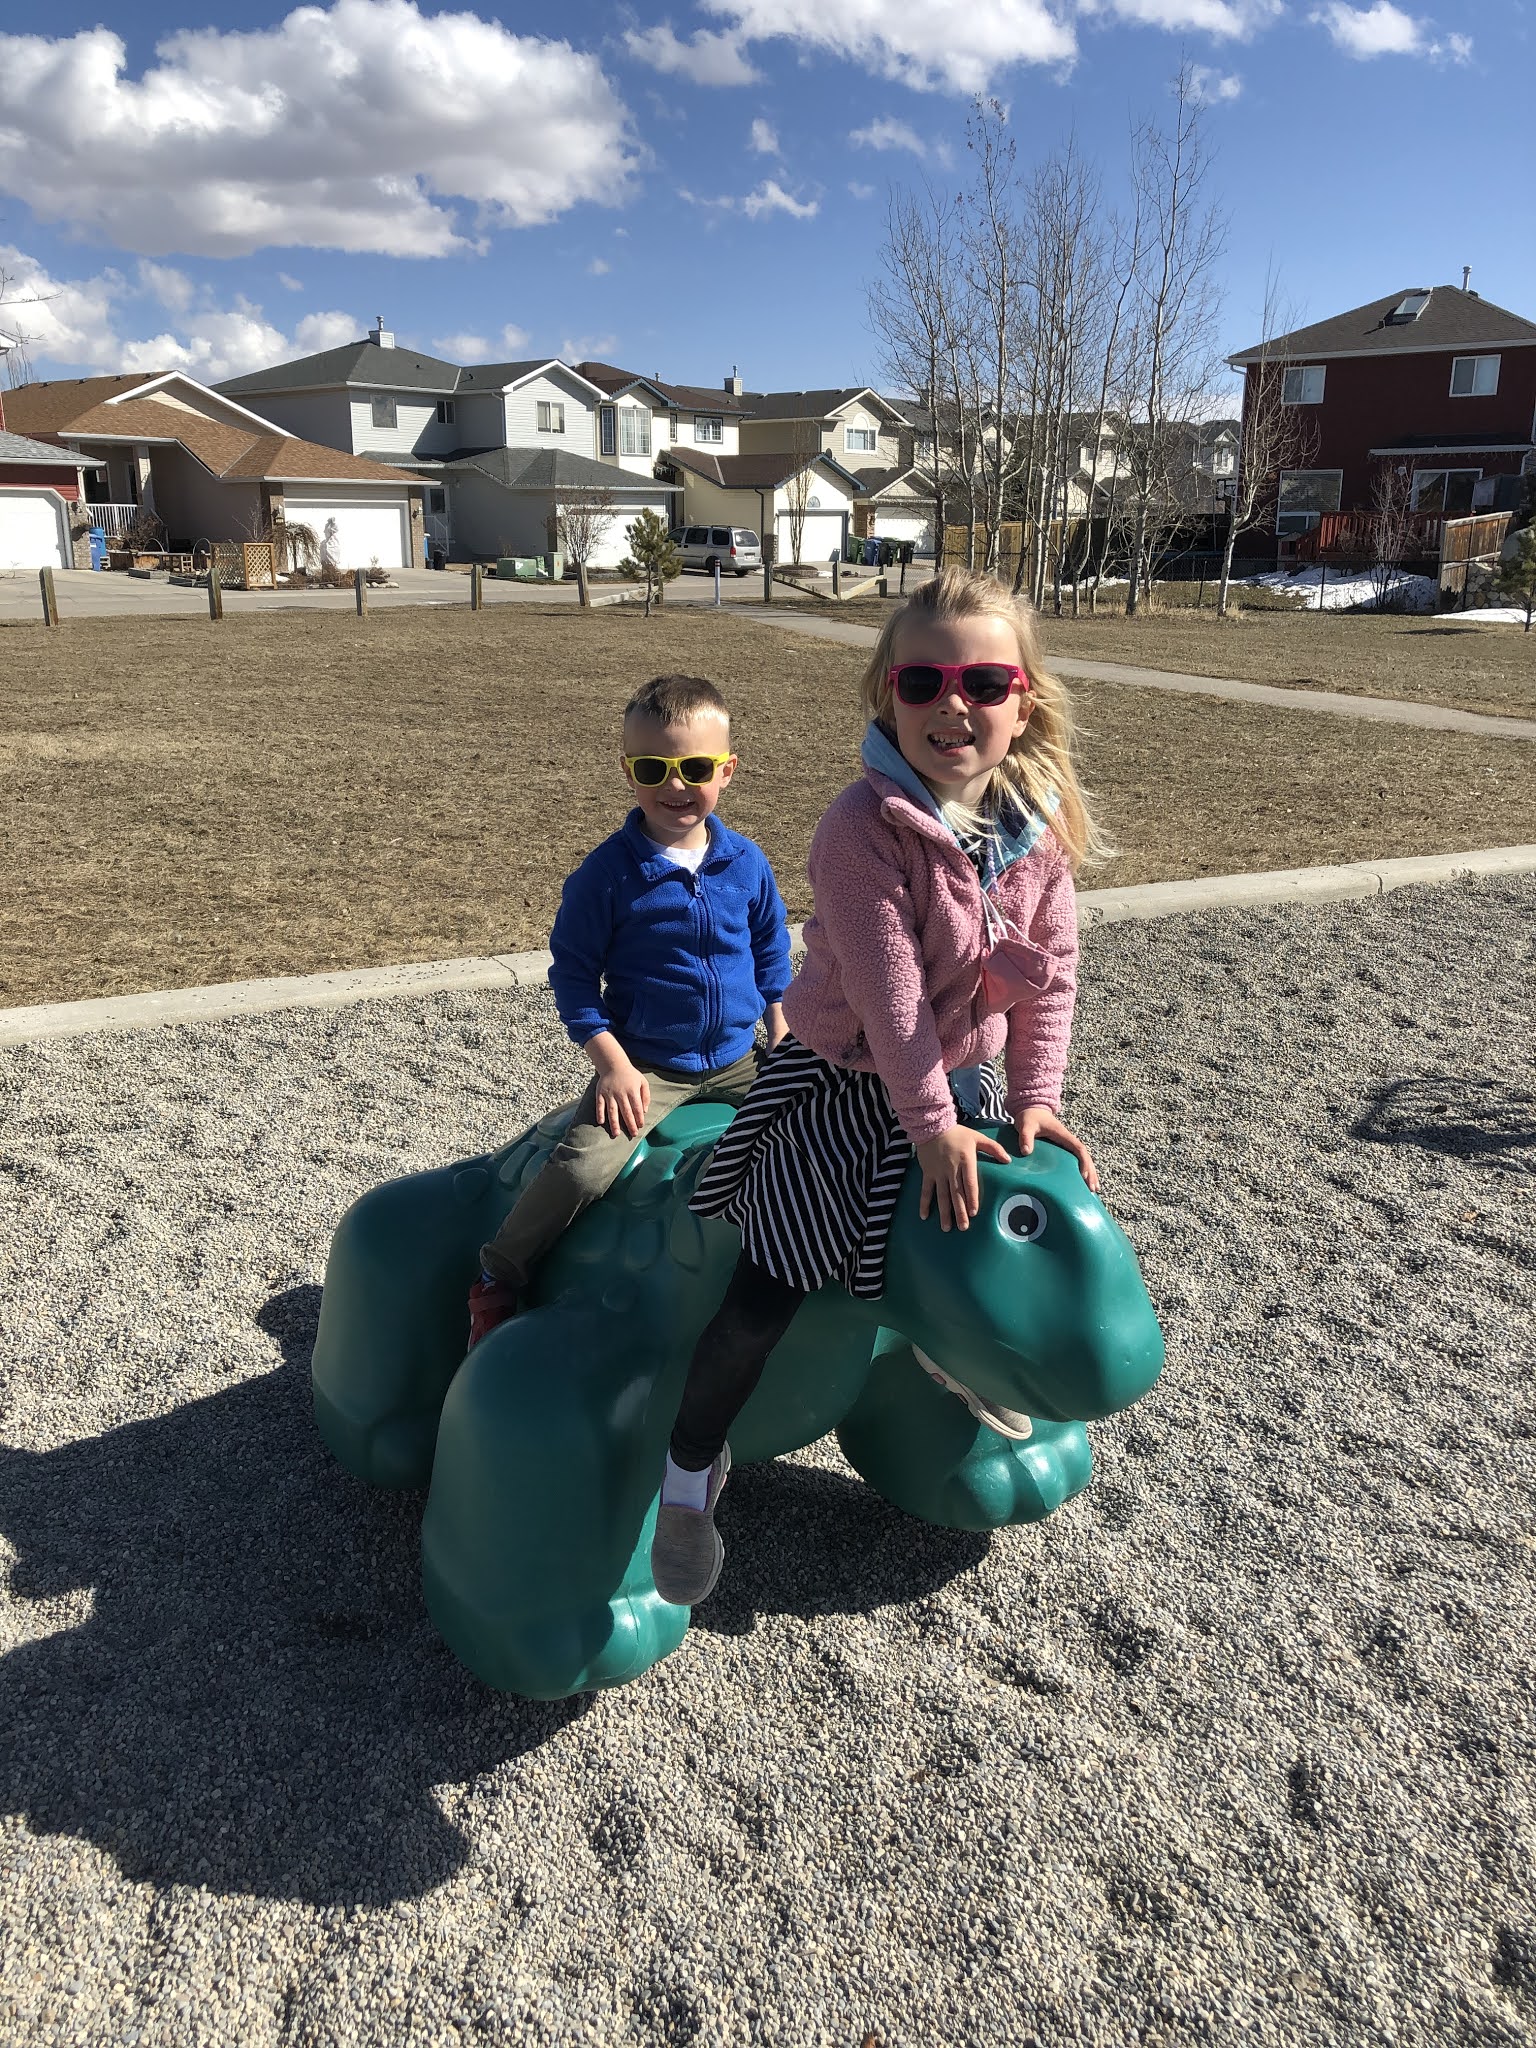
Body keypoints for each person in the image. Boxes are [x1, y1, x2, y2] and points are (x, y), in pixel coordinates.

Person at [650, 566, 1104, 1606]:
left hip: (963, 1085)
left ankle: (950, 1365)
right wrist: (932, 1122)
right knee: (765, 1296)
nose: (954, 703)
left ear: (1024, 702)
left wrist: (1035, 1095)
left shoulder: (1034, 829)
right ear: (887, 695)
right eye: (924, 680)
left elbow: (1053, 971)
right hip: (846, 1090)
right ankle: (689, 1466)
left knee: (981, 1243)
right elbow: (891, 998)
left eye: (984, 682)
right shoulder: (860, 828)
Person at [468, 673, 791, 1346]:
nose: (675, 785)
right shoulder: (607, 875)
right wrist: (612, 1064)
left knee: (827, 1124)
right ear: (628, 772)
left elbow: (769, 951)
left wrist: (782, 1032)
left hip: (740, 1056)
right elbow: (574, 977)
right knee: (584, 1167)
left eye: (695, 768)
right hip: (650, 1063)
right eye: (652, 769)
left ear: (728, 770)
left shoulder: (745, 863)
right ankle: (500, 1274)